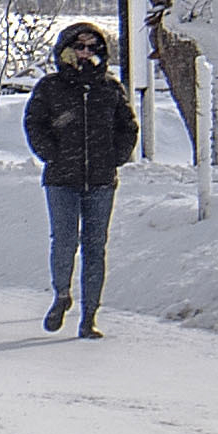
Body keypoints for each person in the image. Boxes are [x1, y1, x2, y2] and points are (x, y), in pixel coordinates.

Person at [22, 18, 138, 334]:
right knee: (64, 241)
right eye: (79, 46)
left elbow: (127, 126)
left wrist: (116, 156)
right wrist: (52, 153)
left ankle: (90, 315)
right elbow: (34, 124)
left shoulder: (109, 88)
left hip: (101, 180)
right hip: (62, 179)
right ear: (67, 50)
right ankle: (62, 294)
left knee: (95, 246)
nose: (86, 53)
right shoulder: (51, 87)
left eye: (92, 47)